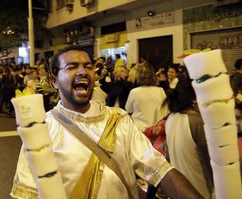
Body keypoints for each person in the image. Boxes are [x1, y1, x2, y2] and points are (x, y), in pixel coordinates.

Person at [11, 46, 203, 199]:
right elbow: (27, 193)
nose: (82, 72)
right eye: (71, 67)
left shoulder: (118, 120)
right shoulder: (41, 129)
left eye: (88, 66)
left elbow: (159, 170)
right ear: (54, 80)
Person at [164, 69, 214, 199]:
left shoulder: (172, 117)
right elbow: (211, 164)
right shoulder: (197, 123)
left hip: (179, 191)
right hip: (199, 191)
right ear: (196, 99)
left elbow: (168, 159)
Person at [125, 62, 168, 133]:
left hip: (138, 130)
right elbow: (166, 111)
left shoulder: (134, 91)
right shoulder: (160, 91)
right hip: (155, 130)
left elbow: (128, 109)